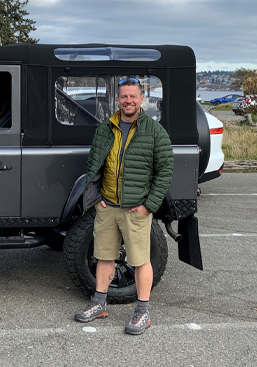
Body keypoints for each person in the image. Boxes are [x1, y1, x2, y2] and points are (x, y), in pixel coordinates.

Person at [74, 77, 174, 335]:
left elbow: (165, 171)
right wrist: (96, 198)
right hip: (108, 207)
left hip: (135, 209)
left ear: (142, 99)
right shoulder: (106, 128)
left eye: (133, 96)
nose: (128, 101)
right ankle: (99, 304)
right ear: (117, 100)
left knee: (140, 261)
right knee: (104, 257)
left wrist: (148, 205)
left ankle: (142, 312)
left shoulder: (154, 131)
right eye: (123, 97)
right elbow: (94, 163)